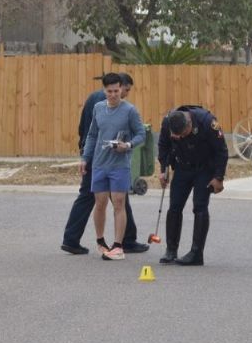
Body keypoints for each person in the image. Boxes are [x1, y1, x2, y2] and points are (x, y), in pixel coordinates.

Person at [61, 73, 150, 255]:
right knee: (94, 199)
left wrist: (127, 145)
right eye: (124, 90)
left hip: (115, 161)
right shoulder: (99, 105)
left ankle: (123, 241)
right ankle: (77, 239)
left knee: (119, 200)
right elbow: (91, 132)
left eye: (118, 91)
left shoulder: (126, 109)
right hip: (98, 158)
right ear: (107, 90)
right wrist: (85, 156)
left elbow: (139, 133)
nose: (119, 94)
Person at [156, 105, 228, 266]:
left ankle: (196, 253)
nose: (180, 138)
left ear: (189, 124)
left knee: (200, 207)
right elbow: (163, 146)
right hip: (182, 167)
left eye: (183, 134)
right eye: (177, 136)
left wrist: (218, 177)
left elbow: (221, 151)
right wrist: (163, 169)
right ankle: (171, 250)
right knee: (174, 206)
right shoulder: (168, 122)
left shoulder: (207, 122)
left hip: (204, 169)